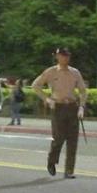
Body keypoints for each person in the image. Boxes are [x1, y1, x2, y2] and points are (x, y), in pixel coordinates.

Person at [31, 47, 88, 178]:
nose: (65, 58)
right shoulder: (51, 72)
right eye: (62, 56)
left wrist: (81, 107)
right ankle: (52, 161)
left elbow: (83, 91)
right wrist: (47, 99)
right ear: (57, 57)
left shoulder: (75, 72)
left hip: (72, 106)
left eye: (67, 56)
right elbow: (36, 85)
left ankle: (69, 170)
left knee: (72, 141)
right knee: (58, 139)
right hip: (58, 107)